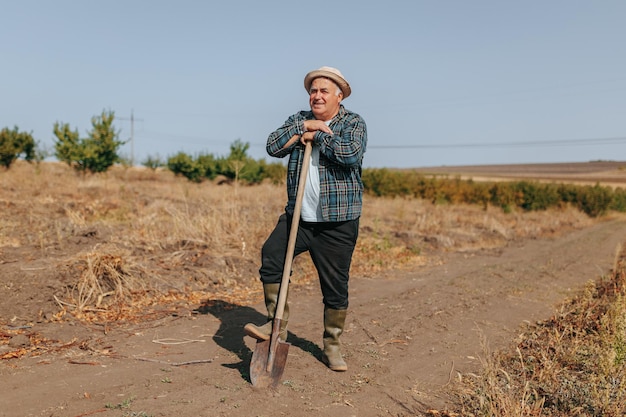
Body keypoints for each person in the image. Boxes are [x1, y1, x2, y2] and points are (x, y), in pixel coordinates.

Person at [244, 66, 367, 372]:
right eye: (313, 90)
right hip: (299, 217)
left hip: (337, 221)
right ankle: (277, 327)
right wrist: (302, 130)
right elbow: (274, 146)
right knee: (271, 257)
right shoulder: (298, 119)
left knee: (335, 286)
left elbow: (349, 154)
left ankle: (332, 346)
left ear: (339, 96)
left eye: (324, 91)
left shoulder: (353, 123)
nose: (317, 96)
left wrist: (315, 136)